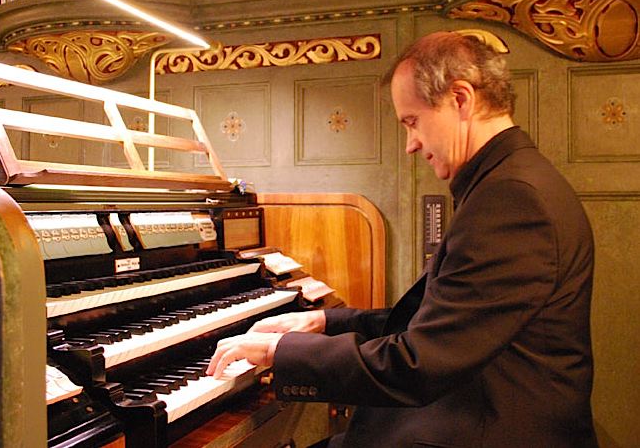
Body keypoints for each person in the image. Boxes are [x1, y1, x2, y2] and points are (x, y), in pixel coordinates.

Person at [207, 31, 598, 447]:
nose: (411, 144)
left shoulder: (512, 199)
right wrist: (322, 322)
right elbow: (442, 318)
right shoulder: (506, 182)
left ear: (460, 99)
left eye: (412, 122)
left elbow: (418, 363)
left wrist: (277, 353)